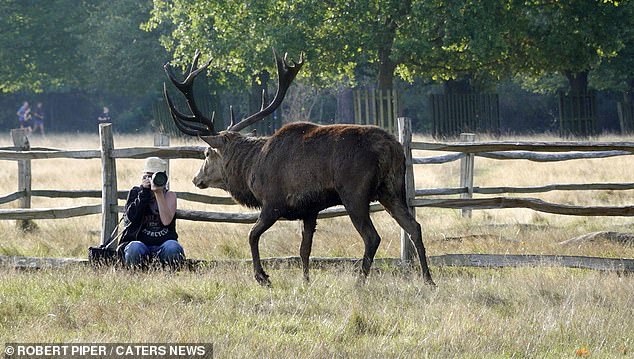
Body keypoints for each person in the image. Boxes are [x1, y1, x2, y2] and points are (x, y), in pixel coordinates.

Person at [117, 157, 185, 269]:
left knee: (173, 247)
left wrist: (158, 193)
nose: (153, 180)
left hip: (163, 246)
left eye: (155, 176)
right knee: (134, 247)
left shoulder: (170, 195)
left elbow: (166, 221)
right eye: (149, 176)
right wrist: (144, 193)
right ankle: (135, 275)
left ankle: (169, 276)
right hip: (139, 244)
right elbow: (130, 218)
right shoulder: (136, 193)